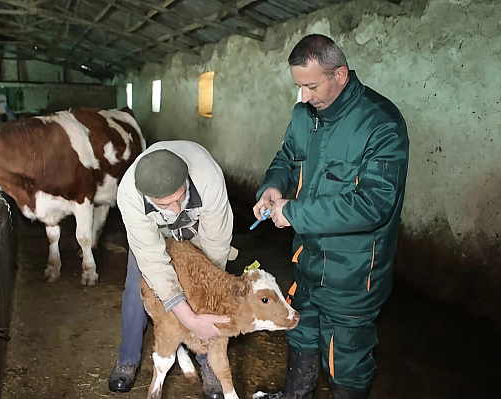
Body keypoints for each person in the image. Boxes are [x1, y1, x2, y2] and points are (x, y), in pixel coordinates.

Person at [252, 34, 410, 399]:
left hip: (353, 273)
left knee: (346, 357)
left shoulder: (381, 123)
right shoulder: (304, 115)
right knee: (301, 330)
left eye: (310, 86)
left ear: (339, 74)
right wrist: (273, 186)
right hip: (307, 259)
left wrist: (294, 211)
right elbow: (288, 157)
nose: (304, 97)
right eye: (298, 87)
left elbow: (374, 204)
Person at [109, 140, 236, 399]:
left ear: (187, 181)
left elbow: (216, 249)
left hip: (196, 228)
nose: (176, 208)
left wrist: (203, 290)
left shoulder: (208, 179)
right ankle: (128, 358)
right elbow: (154, 262)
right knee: (136, 289)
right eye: (165, 204)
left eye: (180, 197)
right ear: (148, 198)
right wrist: (189, 319)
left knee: (205, 290)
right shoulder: (129, 196)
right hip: (154, 233)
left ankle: (207, 360)